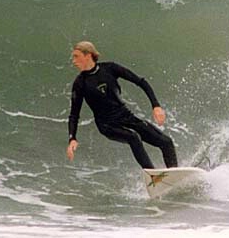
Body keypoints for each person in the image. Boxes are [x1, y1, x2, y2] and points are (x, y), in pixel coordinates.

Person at [66, 41, 178, 169]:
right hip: (107, 125)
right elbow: (74, 115)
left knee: (166, 142)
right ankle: (153, 176)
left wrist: (156, 106)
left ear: (88, 55)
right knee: (133, 137)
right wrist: (72, 139)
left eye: (76, 56)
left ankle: (173, 175)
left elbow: (141, 82)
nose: (73, 61)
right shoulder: (80, 83)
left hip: (125, 117)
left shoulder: (110, 69)